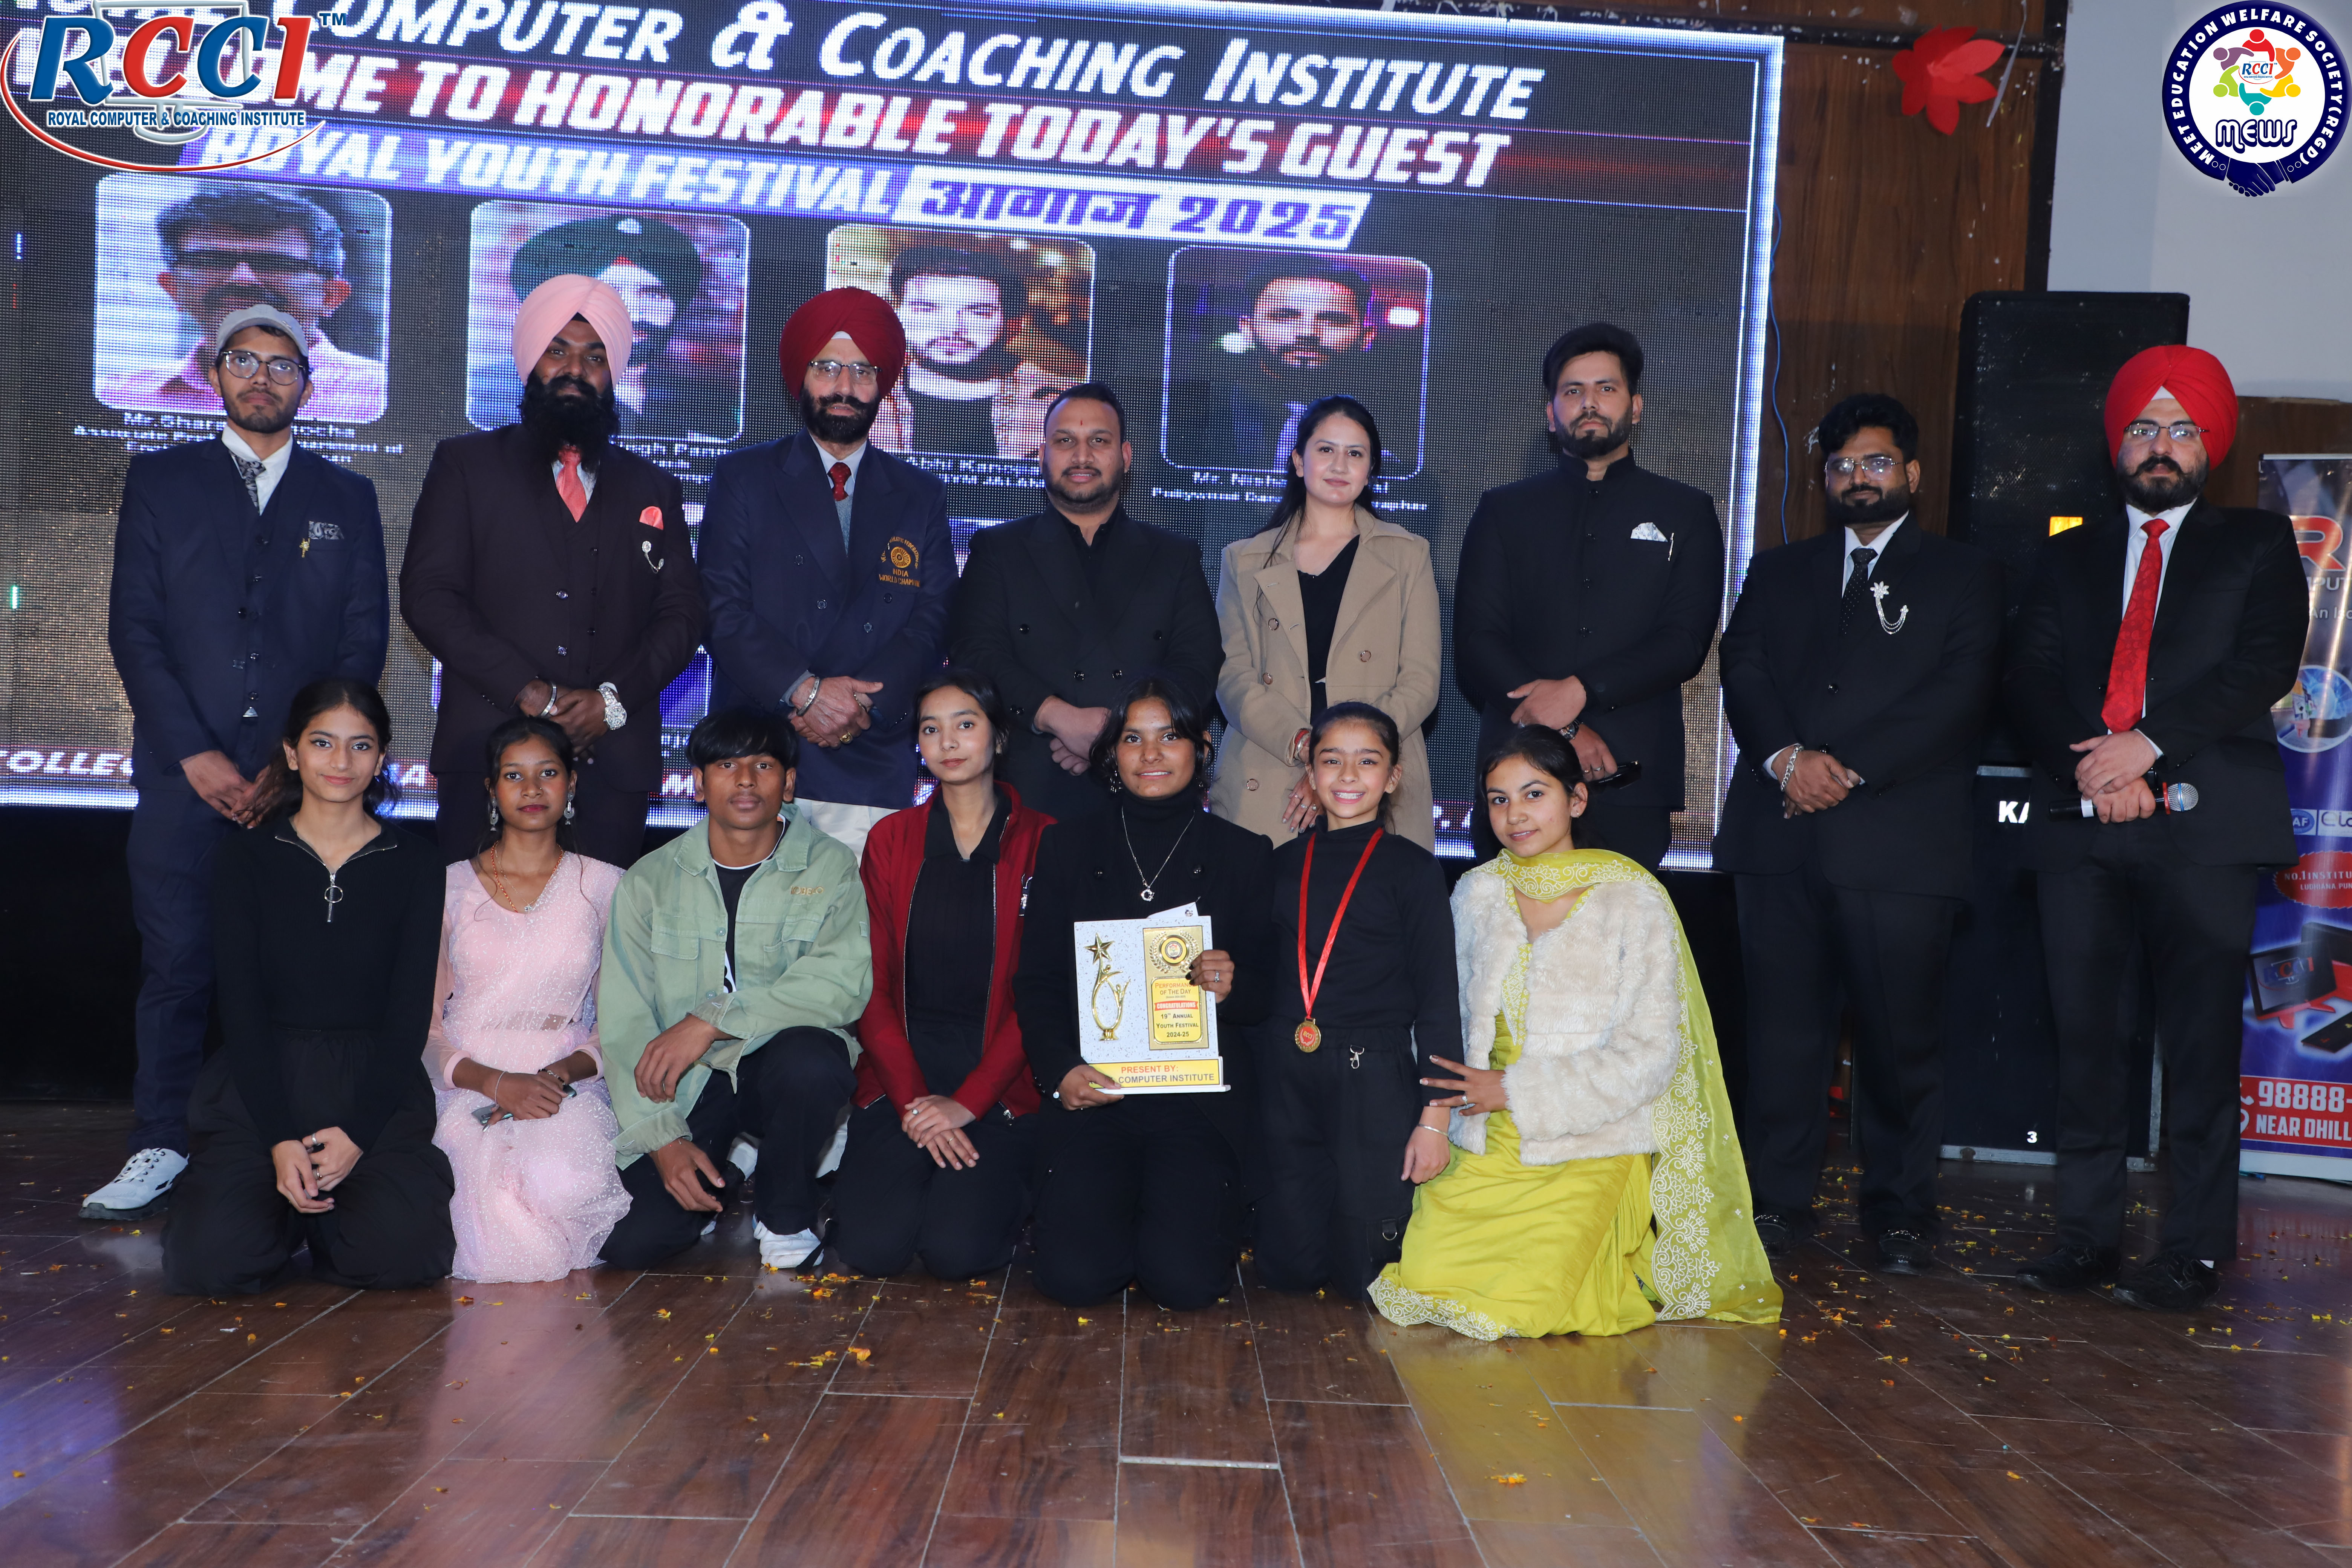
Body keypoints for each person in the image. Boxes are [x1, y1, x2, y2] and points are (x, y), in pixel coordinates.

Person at [2007, 346, 2306, 1312]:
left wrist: (2146, 748)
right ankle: (2085, 1237)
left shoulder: (2258, 542)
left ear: (2209, 445)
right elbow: (2026, 679)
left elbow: (2263, 663)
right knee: (2087, 1043)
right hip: (2082, 825)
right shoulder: (2066, 553)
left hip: (2205, 829)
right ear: (2118, 442)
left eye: (2182, 428)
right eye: (2143, 427)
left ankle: (2192, 1251)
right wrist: (2093, 770)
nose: (2161, 445)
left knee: (2200, 1048)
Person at [89, 304, 389, 1223]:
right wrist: (195, 752)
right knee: (179, 964)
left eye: (282, 365)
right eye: (244, 361)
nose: (263, 378)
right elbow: (135, 630)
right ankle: (160, 1141)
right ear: (215, 374)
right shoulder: (162, 479)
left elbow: (360, 643)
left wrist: (291, 765)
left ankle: (293, 1142)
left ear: (309, 382)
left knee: (298, 976)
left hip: (300, 790)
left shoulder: (347, 497)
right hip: (183, 779)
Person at [1714, 394, 2004, 1274]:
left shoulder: (1965, 575)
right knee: (1782, 1037)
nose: (1857, 478)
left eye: (1875, 462)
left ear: (1911, 472)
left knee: (1899, 1042)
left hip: (1899, 845)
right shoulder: (1778, 569)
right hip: (1780, 839)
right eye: (1840, 466)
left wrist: (1838, 770)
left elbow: (1958, 696)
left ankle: (1900, 1211)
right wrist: (1786, 761)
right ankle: (1777, 1201)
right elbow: (1744, 668)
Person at [1370, 727, 1781, 1338]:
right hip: (1481, 1134)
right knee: (1426, 1280)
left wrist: (1515, 1090)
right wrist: (1439, 1119)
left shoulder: (1632, 900)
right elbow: (1438, 1019)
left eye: (1534, 794)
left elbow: (1652, 1055)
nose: (1515, 815)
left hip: (1593, 1137)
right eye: (1499, 799)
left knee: (1522, 1304)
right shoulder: (1476, 892)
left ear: (1578, 799)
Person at [402, 273, 706, 869]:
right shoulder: (466, 465)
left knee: (599, 926)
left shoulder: (653, 487)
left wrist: (610, 702)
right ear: (529, 361)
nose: (575, 371)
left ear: (614, 372)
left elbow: (683, 613)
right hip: (488, 755)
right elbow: (430, 595)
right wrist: (528, 690)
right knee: (477, 922)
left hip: (612, 765)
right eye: (557, 352)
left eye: (595, 358)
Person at [162, 680, 453, 1294]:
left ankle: (326, 1222)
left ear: (381, 757)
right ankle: (278, 1212)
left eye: (360, 745)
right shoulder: (246, 858)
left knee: (404, 1257)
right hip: (262, 1083)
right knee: (210, 1264)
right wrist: (278, 1138)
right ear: (292, 754)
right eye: (323, 743)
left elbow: (408, 1015)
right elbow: (240, 1008)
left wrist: (359, 1135)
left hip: (371, 1085)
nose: (341, 761)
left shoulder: (417, 862)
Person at [1014, 679, 1275, 1308]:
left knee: (1185, 1283)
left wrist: (1234, 984)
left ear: (1201, 748)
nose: (1151, 754)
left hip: (1197, 1103)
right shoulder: (1066, 846)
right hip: (1097, 1091)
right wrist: (1060, 1071)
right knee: (1075, 1279)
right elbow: (1038, 980)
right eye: (1133, 738)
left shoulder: (1245, 854)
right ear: (1112, 754)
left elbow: (1265, 996)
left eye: (1170, 737)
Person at [597, 708, 870, 1272]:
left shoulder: (831, 865)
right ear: (697, 784)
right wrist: (664, 1141)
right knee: (634, 1242)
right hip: (689, 1083)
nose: (745, 780)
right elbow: (625, 1023)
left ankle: (786, 1211)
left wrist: (712, 1020)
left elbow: (841, 983)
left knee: (813, 1062)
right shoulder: (649, 880)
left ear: (789, 782)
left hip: (780, 1066)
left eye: (763, 765)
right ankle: (725, 1164)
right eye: (726, 765)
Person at [1453, 322, 1726, 871]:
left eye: (1607, 388)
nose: (1590, 403)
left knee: (1621, 926)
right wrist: (1565, 728)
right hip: (1515, 778)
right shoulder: (1503, 511)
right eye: (1573, 391)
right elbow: (1477, 642)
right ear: (1550, 413)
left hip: (1631, 778)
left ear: (1636, 407)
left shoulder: (1686, 512)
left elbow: (1684, 642)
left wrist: (1583, 690)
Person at [702, 288, 954, 857]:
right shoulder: (744, 478)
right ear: (801, 377)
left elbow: (934, 619)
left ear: (884, 384)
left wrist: (855, 706)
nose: (845, 386)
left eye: (864, 370)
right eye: (828, 367)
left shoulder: (920, 495)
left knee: (862, 915)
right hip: (758, 749)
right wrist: (806, 692)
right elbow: (721, 609)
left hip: (870, 756)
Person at [831, 672, 1051, 1279]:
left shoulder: (1046, 840)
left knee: (958, 1253)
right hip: (903, 1075)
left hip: (1000, 1082)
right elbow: (870, 985)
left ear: (998, 737)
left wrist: (968, 1103)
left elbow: (1040, 995)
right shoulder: (891, 839)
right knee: (871, 1250)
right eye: (931, 729)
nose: (948, 742)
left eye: (966, 725)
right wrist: (915, 1104)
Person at [1256, 703, 1459, 1298]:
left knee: (1363, 1278)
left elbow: (1439, 999)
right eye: (1332, 761)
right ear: (1311, 776)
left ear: (1393, 777)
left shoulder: (1415, 871)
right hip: (1287, 1072)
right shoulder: (1278, 864)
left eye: (1368, 762)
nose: (1348, 776)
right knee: (1287, 1272)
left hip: (1373, 1076)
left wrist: (1436, 1118)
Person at [950, 383, 1222, 824]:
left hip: (1147, 786)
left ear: (1126, 456)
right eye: (1065, 441)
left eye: (1099, 440)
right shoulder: (998, 549)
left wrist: (1116, 734)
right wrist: (1057, 717)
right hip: (1028, 791)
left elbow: (1198, 664)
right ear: (1042, 455)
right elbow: (975, 653)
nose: (1081, 456)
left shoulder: (1174, 556)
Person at [425, 716, 631, 1283]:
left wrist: (557, 1077)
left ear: (572, 784)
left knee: (564, 1182)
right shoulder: (448, 887)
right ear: (491, 789)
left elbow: (619, 1025)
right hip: (464, 1079)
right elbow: (425, 1030)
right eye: (514, 775)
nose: (533, 789)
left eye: (549, 773)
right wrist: (494, 1083)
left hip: (565, 1080)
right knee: (481, 1190)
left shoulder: (607, 886)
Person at [1210, 395, 1441, 850]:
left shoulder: (1409, 555)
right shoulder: (1244, 559)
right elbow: (1231, 676)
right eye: (1325, 450)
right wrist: (1307, 749)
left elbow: (1420, 681)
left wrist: (1343, 763)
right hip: (1270, 769)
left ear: (1371, 469)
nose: (1340, 464)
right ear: (1299, 462)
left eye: (1355, 453)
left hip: (1374, 780)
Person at [101, 184, 387, 422]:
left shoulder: (380, 396)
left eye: (275, 263)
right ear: (173, 288)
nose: (242, 278)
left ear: (332, 295)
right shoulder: (118, 396)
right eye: (211, 261)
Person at [1173, 262, 1401, 471]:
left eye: (1332, 320)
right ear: (1248, 328)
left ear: (1366, 336)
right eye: (1284, 316)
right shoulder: (1197, 407)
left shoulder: (1394, 423)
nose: (1307, 333)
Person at [510, 212, 718, 437]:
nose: (634, 313)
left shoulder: (702, 404)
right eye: (612, 295)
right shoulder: (496, 395)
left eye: (653, 294)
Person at [869, 245, 1073, 459]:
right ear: (897, 315)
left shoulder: (1058, 403)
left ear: (1014, 324)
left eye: (979, 312)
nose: (951, 328)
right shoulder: (863, 393)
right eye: (926, 308)